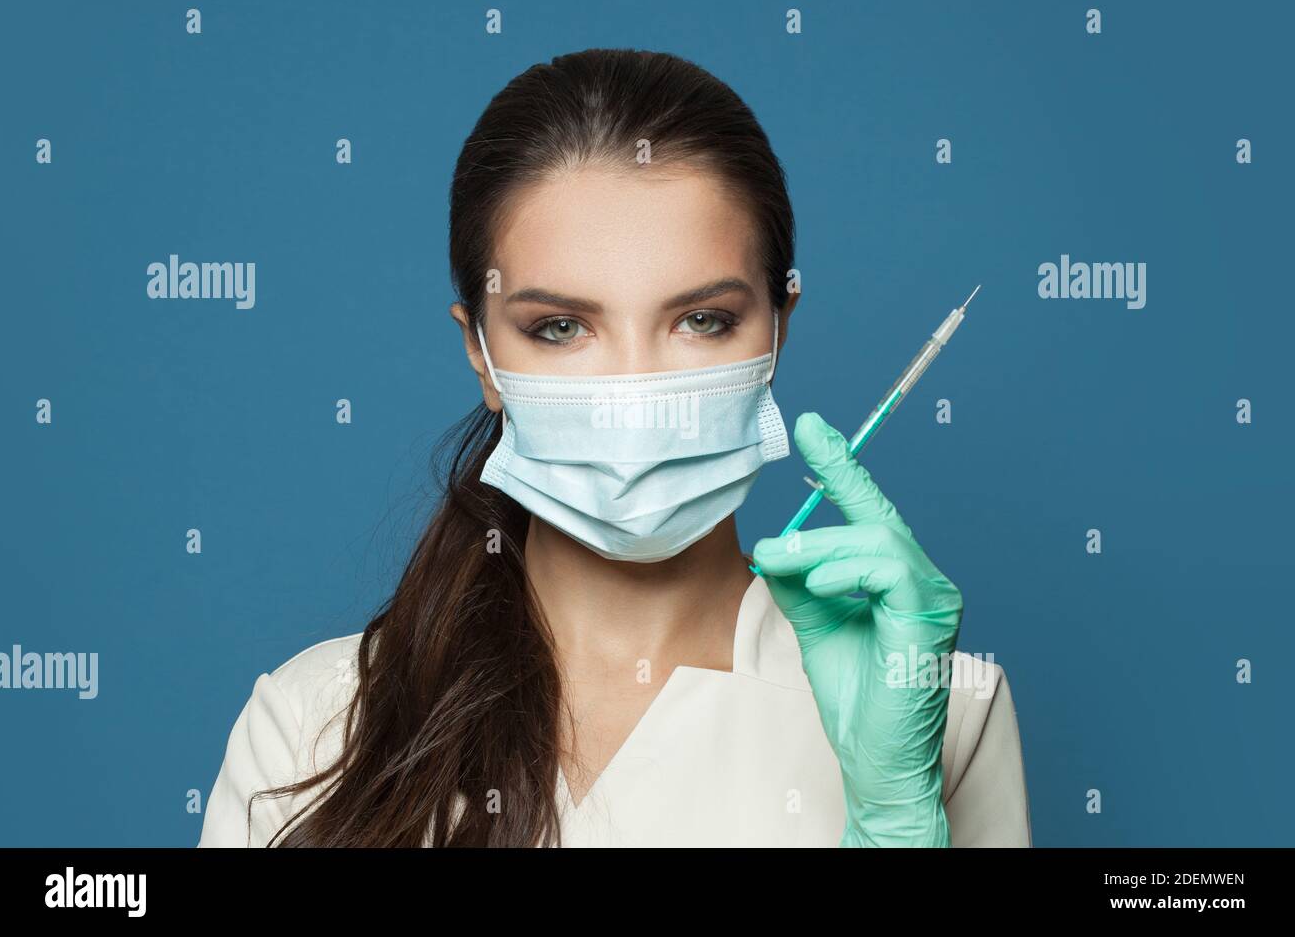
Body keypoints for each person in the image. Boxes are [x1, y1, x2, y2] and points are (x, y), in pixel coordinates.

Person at [197, 47, 1031, 848]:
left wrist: (895, 824)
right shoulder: (316, 725)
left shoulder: (934, 708)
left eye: (702, 321)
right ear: (482, 355)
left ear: (779, 333)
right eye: (560, 328)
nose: (633, 395)